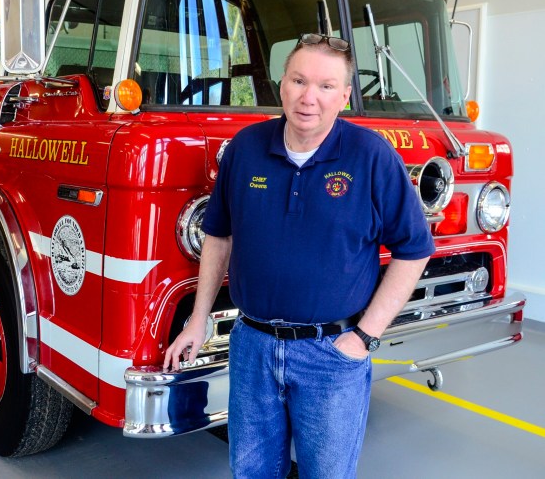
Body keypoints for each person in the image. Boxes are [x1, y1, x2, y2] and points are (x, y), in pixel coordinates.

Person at [163, 33, 435, 478]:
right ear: (281, 85)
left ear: (345, 96)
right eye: (299, 81)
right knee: (251, 471)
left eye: (327, 86)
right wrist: (198, 319)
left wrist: (364, 338)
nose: (310, 98)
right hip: (252, 345)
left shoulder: (372, 157)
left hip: (332, 354)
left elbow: (415, 249)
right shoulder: (246, 149)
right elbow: (219, 234)